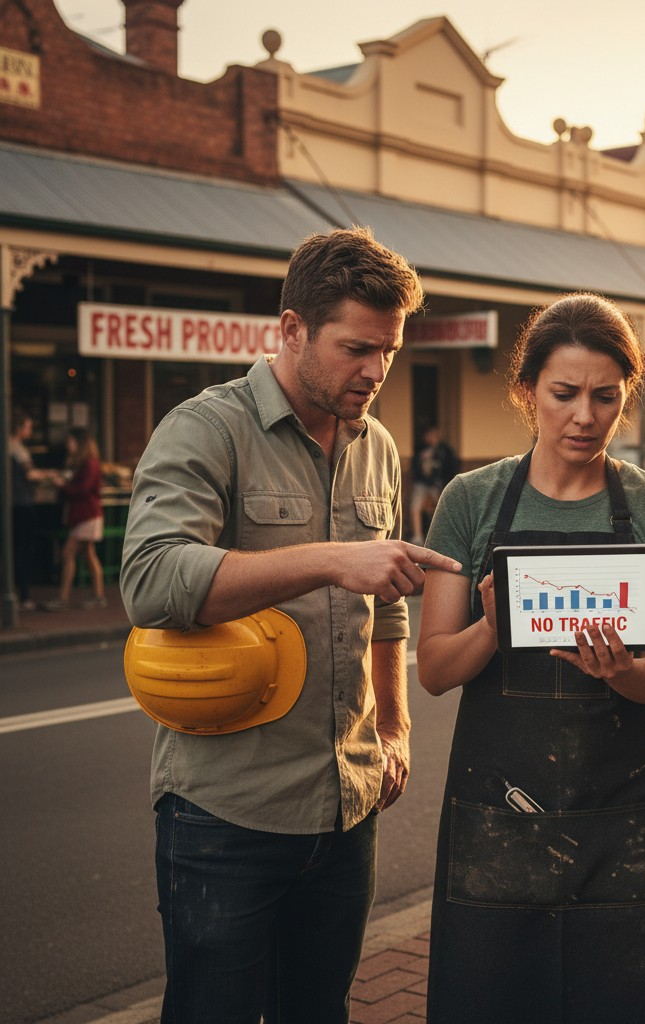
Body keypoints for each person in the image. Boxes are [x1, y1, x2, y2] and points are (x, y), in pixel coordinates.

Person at [120, 227, 461, 1024]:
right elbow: (149, 580)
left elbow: (387, 603)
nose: (375, 371)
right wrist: (331, 559)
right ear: (291, 330)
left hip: (346, 809)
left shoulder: (376, 443)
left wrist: (397, 730)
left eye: (389, 350)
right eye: (355, 348)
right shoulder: (206, 429)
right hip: (224, 815)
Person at [417, 292, 645, 1024]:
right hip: (498, 817)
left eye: (607, 397)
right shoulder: (470, 501)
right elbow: (436, 670)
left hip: (621, 819)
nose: (585, 416)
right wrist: (493, 626)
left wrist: (619, 670)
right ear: (527, 391)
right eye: (565, 394)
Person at [43, 427, 106, 610]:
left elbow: (83, 489)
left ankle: (63, 598)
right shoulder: (83, 462)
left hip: (86, 515)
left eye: (70, 441)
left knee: (68, 553)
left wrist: (63, 485)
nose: (68, 445)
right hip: (86, 515)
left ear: (80, 443)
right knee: (88, 555)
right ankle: (98, 595)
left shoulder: (89, 463)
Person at [9, 410, 49, 611]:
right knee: (24, 549)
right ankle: (23, 594)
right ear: (19, 428)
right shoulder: (18, 450)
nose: (30, 432)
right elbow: (30, 475)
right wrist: (48, 475)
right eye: (28, 427)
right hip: (22, 504)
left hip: (10, 505)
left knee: (13, 549)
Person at [408, 425, 458, 544]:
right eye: (429, 435)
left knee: (441, 508)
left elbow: (451, 468)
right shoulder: (420, 448)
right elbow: (414, 468)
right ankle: (417, 536)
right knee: (415, 507)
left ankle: (443, 536)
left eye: (434, 435)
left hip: (439, 484)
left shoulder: (445, 449)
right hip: (422, 483)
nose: (431, 438)